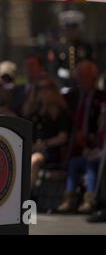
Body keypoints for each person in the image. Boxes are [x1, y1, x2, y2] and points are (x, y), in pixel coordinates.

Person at [58, 61, 106, 213]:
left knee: (90, 164)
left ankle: (90, 199)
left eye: (84, 76)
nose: (81, 80)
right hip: (77, 144)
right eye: (79, 77)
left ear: (94, 78)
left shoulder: (101, 98)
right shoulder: (73, 95)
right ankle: (69, 198)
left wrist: (91, 146)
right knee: (73, 163)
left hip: (95, 147)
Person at [23, 74, 69, 191]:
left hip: (50, 150)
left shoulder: (60, 112)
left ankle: (25, 197)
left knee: (34, 160)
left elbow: (62, 137)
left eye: (47, 87)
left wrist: (44, 144)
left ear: (53, 89)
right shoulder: (34, 110)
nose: (43, 91)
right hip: (31, 148)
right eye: (39, 88)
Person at [50, 10, 93, 90]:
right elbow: (53, 69)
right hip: (63, 85)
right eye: (68, 28)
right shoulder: (58, 47)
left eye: (74, 28)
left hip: (82, 85)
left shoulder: (85, 47)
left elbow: (91, 65)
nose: (71, 31)